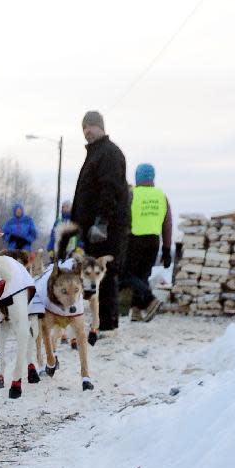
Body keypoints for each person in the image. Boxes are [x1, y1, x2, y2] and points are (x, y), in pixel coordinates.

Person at [69, 111, 130, 332]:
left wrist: (101, 222)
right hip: (93, 228)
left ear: (101, 127)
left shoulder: (109, 153)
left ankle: (108, 326)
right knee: (96, 276)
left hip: (107, 228)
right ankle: (101, 324)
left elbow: (110, 189)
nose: (87, 131)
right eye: (84, 127)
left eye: (91, 126)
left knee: (105, 274)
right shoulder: (95, 154)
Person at [127, 163, 172, 322]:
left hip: (133, 240)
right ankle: (136, 311)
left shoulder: (131, 194)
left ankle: (150, 300)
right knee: (142, 276)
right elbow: (167, 225)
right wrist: (166, 250)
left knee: (126, 274)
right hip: (153, 241)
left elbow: (123, 218)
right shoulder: (161, 196)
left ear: (137, 177)